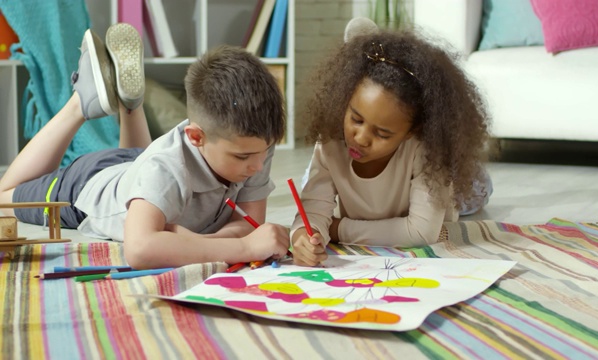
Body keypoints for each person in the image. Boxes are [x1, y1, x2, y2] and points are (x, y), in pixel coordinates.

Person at [0, 23, 290, 269]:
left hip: (137, 166)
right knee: (4, 201)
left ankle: (131, 104)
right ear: (196, 137)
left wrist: (190, 241)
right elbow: (140, 250)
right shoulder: (165, 169)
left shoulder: (254, 141)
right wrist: (242, 249)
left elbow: (248, 223)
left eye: (265, 152)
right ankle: (80, 103)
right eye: (244, 157)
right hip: (86, 187)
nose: (257, 166)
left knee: (149, 171)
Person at [290, 18, 493, 266]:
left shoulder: (427, 150)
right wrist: (303, 236)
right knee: (312, 182)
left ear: (411, 132)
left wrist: (338, 229)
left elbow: (421, 232)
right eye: (356, 119)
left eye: (382, 134)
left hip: (456, 193)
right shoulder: (331, 143)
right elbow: (312, 213)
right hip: (380, 204)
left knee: (474, 190)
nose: (361, 138)